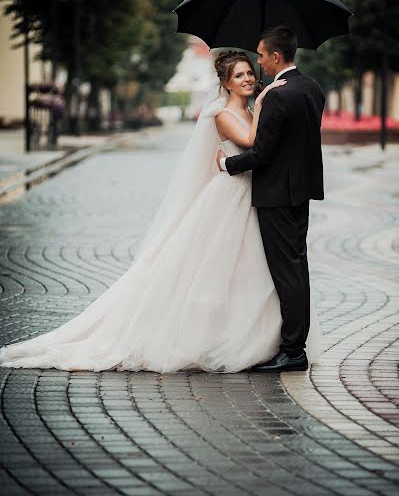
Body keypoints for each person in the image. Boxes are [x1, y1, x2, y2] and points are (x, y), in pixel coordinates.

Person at [0, 48, 321, 373]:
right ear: (225, 82)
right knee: (218, 268)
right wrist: (266, 104)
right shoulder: (221, 113)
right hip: (230, 196)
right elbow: (253, 141)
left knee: (253, 271)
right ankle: (217, 339)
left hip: (254, 195)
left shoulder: (252, 109)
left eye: (250, 72)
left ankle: (259, 337)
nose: (249, 78)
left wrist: (262, 109)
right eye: (239, 75)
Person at [217, 26, 325, 373]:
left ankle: (293, 349)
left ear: (276, 56)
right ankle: (294, 343)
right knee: (297, 266)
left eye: (261, 56)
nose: (258, 62)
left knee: (287, 272)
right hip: (300, 191)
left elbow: (261, 154)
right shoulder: (311, 88)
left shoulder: (278, 95)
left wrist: (226, 163)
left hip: (276, 194)